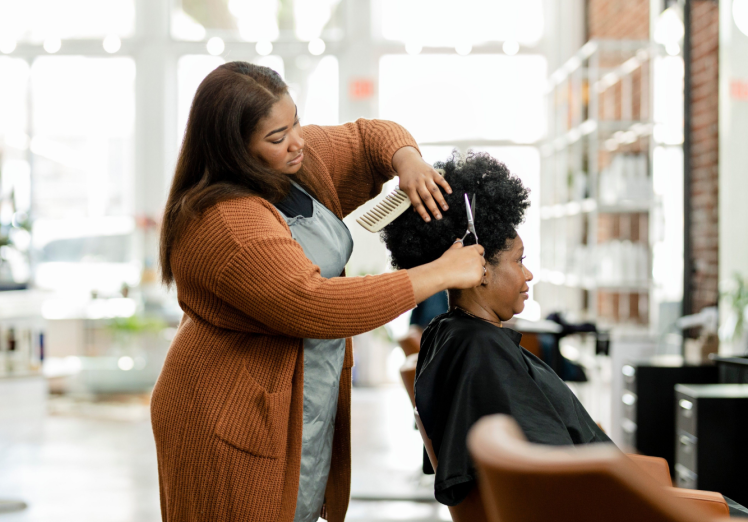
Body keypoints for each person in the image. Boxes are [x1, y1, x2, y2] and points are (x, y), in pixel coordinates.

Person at [150, 62, 486, 522]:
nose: (297, 143)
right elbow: (315, 304)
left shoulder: (296, 162)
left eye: (296, 123)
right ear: (233, 150)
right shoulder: (224, 221)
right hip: (227, 412)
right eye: (276, 137)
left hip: (299, 386)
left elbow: (370, 136)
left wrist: (408, 160)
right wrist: (440, 273)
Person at [380, 151, 612, 512]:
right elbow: (556, 478)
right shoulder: (481, 350)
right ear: (479, 267)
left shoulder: (447, 334)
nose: (528, 274)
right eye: (519, 260)